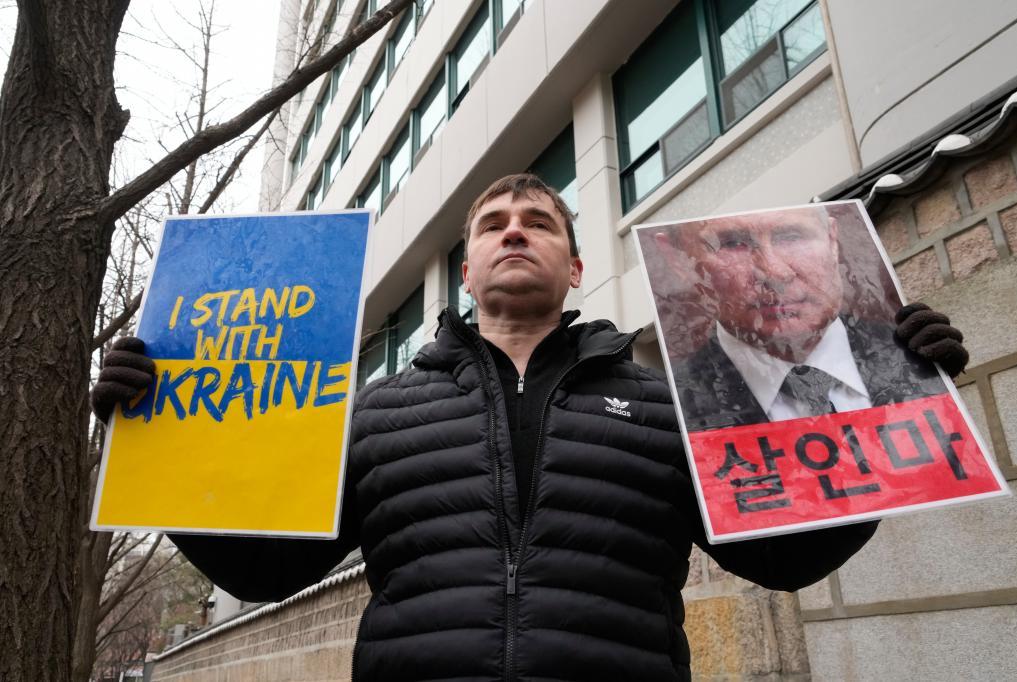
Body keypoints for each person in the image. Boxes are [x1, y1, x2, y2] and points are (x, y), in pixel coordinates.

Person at [92, 175, 967, 681]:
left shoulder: (675, 404)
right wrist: (162, 442)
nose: (516, 231)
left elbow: (780, 560)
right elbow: (263, 569)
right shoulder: (373, 411)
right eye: (494, 226)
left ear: (575, 264)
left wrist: (892, 402)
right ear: (466, 269)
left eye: (540, 223)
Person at [653, 205, 965, 433]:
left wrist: (932, 393)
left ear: (832, 239)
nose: (775, 273)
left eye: (791, 236)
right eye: (733, 243)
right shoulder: (670, 411)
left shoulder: (902, 358)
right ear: (679, 260)